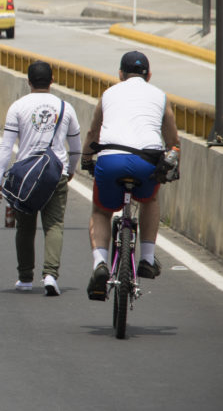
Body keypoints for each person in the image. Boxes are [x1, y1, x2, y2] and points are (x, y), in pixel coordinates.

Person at [82, 51, 180, 301]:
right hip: (146, 162)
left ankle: (100, 264)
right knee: (149, 201)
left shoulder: (109, 94)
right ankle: (146, 257)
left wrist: (85, 159)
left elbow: (93, 131)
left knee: (101, 211)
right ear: (148, 75)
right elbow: (173, 141)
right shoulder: (160, 96)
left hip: (111, 160)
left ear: (120, 74)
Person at [0, 61, 81, 295]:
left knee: (25, 228)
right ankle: (50, 275)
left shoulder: (18, 107)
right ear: (52, 80)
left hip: (26, 178)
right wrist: (71, 169)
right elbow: (76, 146)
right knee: (54, 225)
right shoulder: (65, 107)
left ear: (28, 81)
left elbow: (6, 146)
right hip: (55, 173)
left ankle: (25, 278)